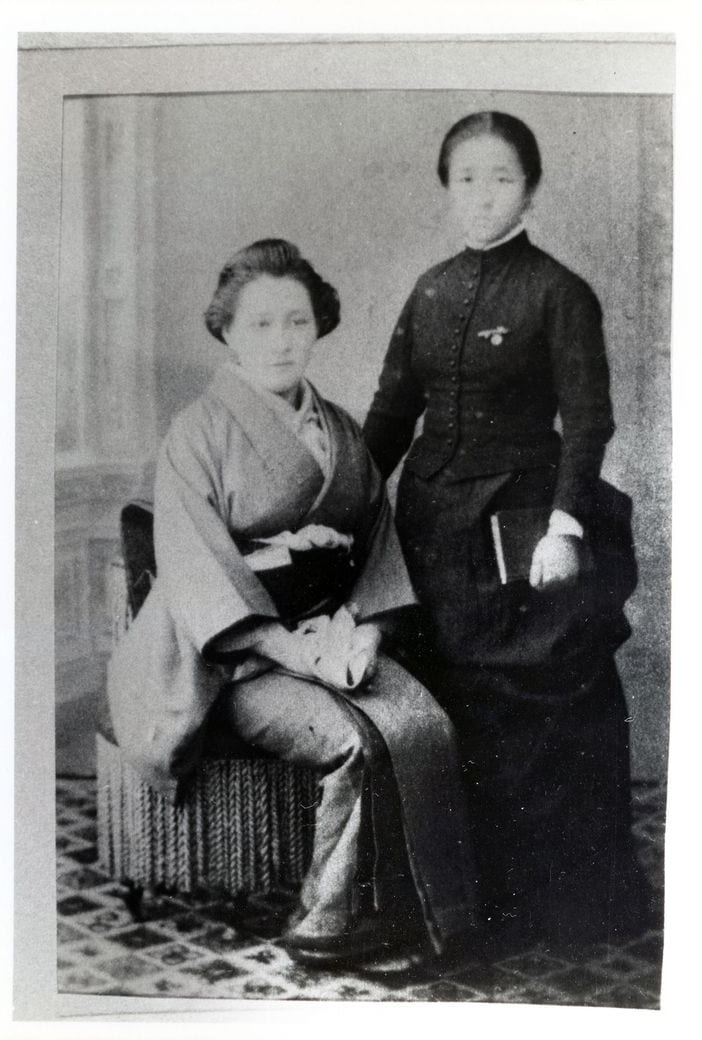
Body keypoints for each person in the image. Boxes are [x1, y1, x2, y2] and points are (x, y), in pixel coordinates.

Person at [107, 238, 477, 970]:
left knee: (425, 722)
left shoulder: (339, 430)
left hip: (331, 638)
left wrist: (368, 631)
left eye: (297, 322)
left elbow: (377, 544)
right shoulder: (197, 433)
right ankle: (329, 922)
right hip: (229, 662)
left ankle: (430, 920)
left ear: (318, 327)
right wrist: (290, 650)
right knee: (355, 738)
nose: (282, 340)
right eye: (261, 324)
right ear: (227, 331)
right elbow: (199, 575)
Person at [363, 112, 648, 951]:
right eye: (466, 179)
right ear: (446, 189)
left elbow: (588, 421)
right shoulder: (429, 289)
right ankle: (457, 903)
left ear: (530, 189)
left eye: (501, 178)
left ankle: (553, 907)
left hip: (522, 528)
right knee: (443, 701)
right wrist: (346, 505)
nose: (483, 196)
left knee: (529, 711)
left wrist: (563, 525)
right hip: (431, 530)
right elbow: (391, 413)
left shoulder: (559, 292)